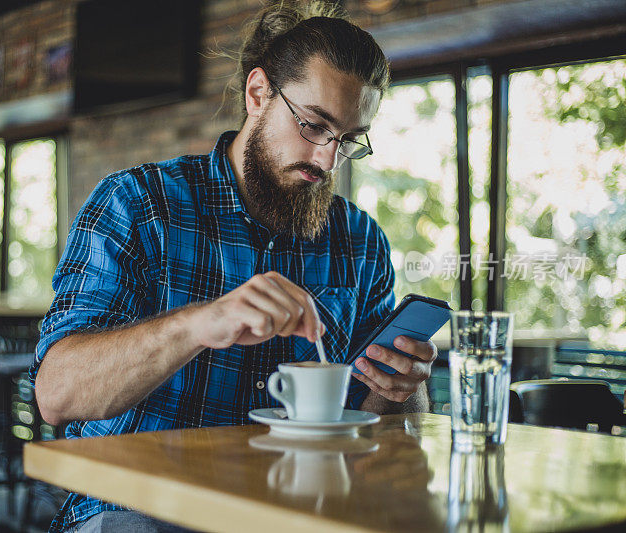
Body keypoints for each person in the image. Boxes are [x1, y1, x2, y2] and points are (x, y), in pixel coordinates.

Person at [31, 2, 438, 531]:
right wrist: (200, 323)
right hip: (141, 508)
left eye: (348, 140)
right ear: (257, 94)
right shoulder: (139, 204)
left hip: (296, 513)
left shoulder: (359, 242)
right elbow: (56, 396)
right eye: (314, 126)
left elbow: (393, 439)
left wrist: (401, 389)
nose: (326, 160)